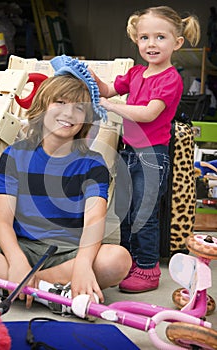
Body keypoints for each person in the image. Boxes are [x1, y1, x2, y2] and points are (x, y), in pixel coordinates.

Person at [0, 55, 131, 314]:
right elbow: (1, 220)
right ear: (43, 106)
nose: (69, 113)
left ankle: (12, 284)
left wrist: (81, 264)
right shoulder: (16, 154)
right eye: (60, 102)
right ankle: (50, 290)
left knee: (118, 260)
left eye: (79, 108)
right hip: (17, 244)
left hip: (65, 251)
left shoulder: (93, 164)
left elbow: (94, 222)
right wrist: (16, 260)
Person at [90, 6, 201, 293]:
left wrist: (112, 107)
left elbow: (149, 113)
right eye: (144, 38)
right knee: (124, 210)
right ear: (136, 40)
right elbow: (107, 89)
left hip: (152, 156)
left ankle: (148, 268)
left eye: (160, 37)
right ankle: (127, 262)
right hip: (128, 152)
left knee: (144, 212)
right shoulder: (136, 72)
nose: (151, 44)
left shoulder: (170, 79)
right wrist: (90, 78)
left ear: (177, 43)